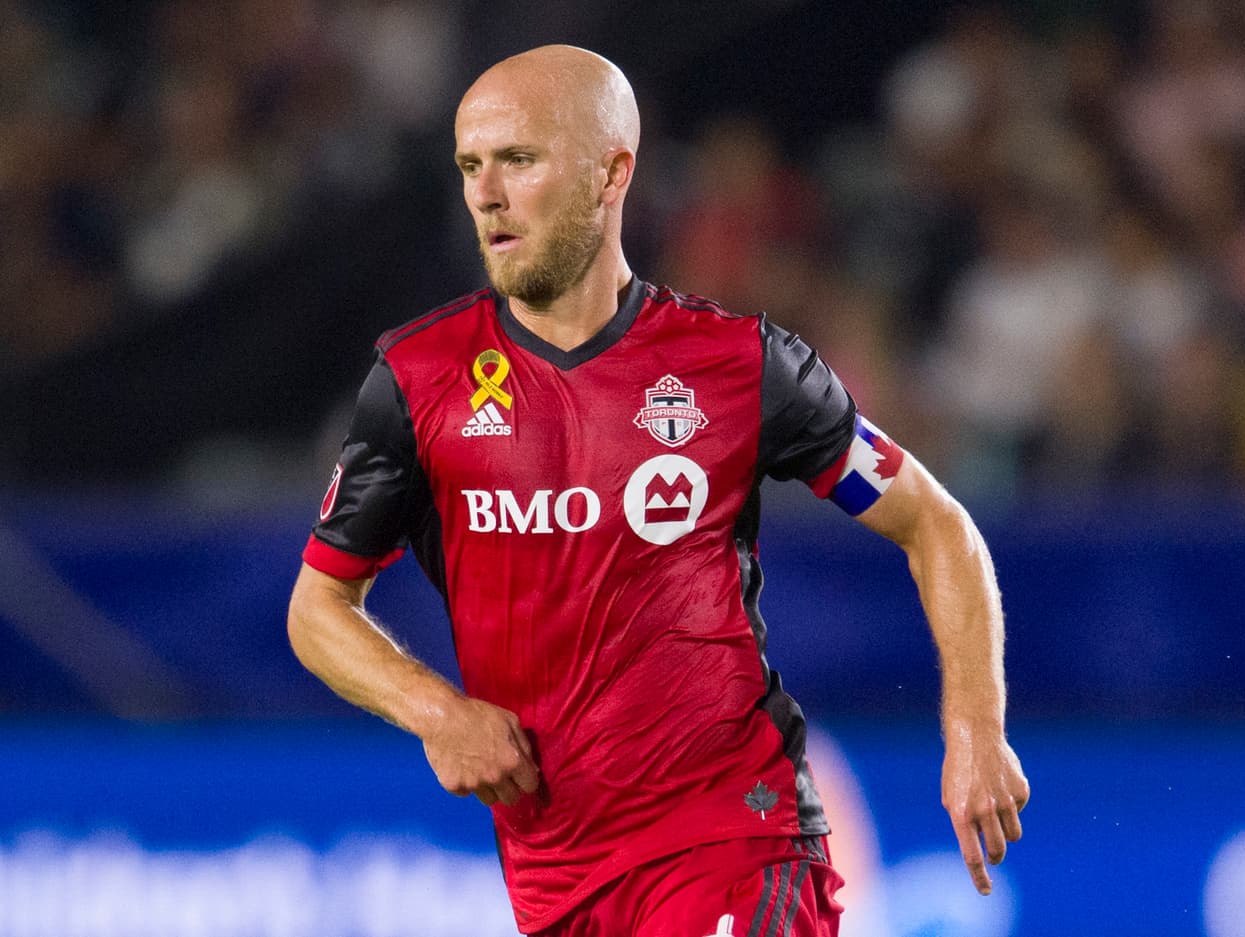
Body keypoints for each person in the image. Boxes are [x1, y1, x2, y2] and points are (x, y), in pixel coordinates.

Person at [287, 44, 1029, 937]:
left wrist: (976, 728)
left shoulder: (740, 365)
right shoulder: (417, 381)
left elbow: (937, 524)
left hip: (737, 836)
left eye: (519, 160)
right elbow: (317, 606)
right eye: (471, 166)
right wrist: (435, 710)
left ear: (612, 171)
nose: (488, 193)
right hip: (558, 876)